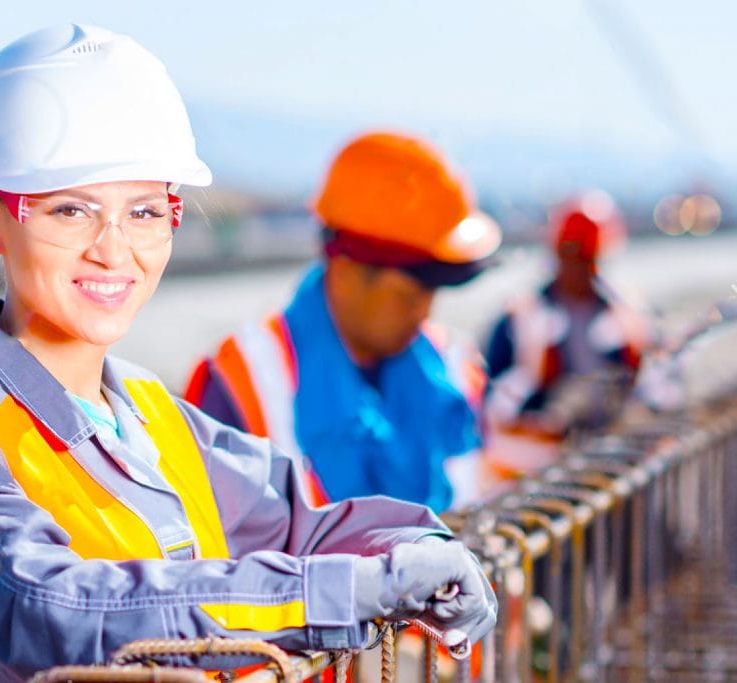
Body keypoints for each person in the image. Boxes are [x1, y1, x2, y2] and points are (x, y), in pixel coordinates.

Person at [0, 25, 496, 682]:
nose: (113, 250)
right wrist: (340, 594)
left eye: (145, 213)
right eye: (70, 210)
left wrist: (419, 545)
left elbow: (299, 522)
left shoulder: (150, 413)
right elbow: (49, 612)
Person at [184, 132, 502, 511]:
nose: (423, 313)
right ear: (348, 270)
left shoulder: (454, 367)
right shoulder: (242, 382)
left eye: (432, 293)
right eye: (408, 295)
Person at [482, 189, 650, 469]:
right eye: (571, 254)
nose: (578, 267)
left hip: (608, 457)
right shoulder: (519, 319)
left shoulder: (628, 317)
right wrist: (532, 401)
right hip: (540, 463)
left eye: (587, 257)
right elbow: (491, 404)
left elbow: (655, 388)